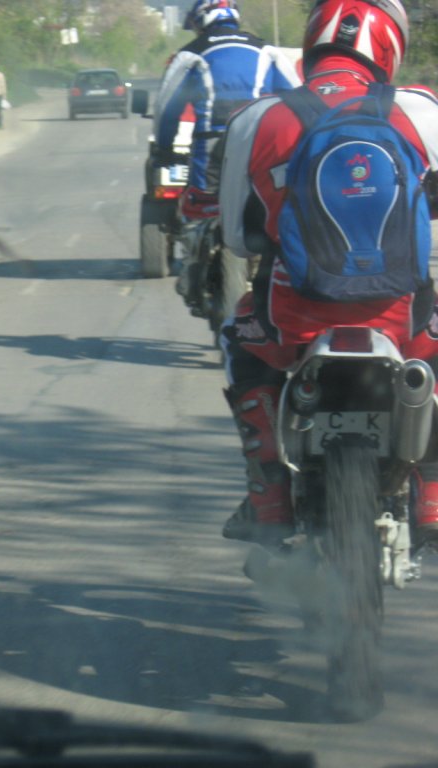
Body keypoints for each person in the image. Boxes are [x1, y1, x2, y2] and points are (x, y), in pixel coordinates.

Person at [217, 0, 438, 546]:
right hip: (403, 316)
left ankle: (268, 495)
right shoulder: (420, 108)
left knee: (239, 341)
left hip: (293, 318)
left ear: (313, 40)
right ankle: (433, 493)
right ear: (388, 43)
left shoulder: (256, 118)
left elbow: (236, 238)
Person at [153, 0, 300, 221]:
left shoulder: (190, 54)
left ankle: (199, 232)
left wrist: (164, 148)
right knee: (268, 203)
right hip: (258, 143)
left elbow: (167, 108)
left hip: (211, 145)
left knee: (204, 206)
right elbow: (297, 98)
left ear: (201, 20)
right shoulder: (267, 51)